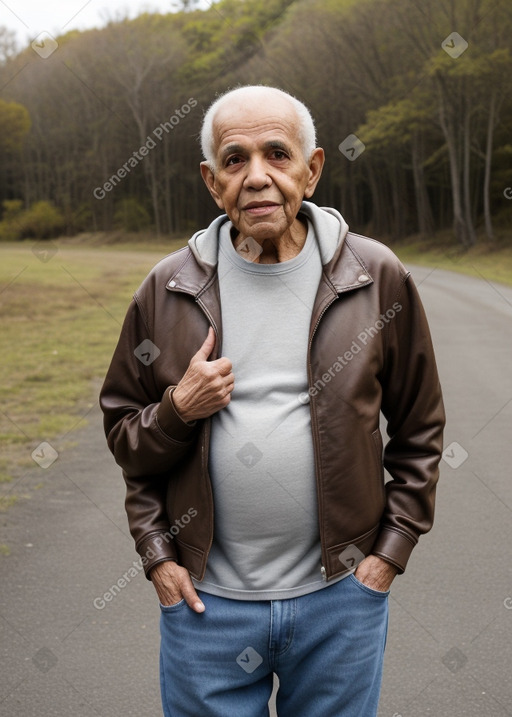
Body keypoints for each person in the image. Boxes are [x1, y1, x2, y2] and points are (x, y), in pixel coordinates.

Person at [100, 85, 445, 716]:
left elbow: (420, 428)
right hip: (207, 606)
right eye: (235, 160)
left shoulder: (374, 276)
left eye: (277, 155)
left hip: (341, 599)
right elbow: (125, 437)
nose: (256, 177)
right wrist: (159, 557)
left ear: (311, 170)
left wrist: (387, 558)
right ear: (212, 181)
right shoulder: (167, 289)